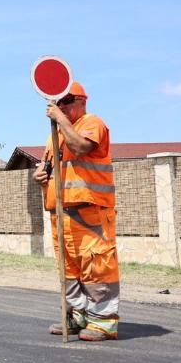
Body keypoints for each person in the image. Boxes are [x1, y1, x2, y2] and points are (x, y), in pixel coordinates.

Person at [33, 82, 119, 341]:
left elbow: (81, 147)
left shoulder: (92, 123)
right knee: (69, 270)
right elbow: (51, 168)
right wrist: (41, 175)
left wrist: (60, 119)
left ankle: (103, 322)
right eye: (59, 103)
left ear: (82, 101)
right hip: (61, 213)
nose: (62, 106)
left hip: (90, 209)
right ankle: (77, 315)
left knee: (97, 266)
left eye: (67, 101)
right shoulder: (54, 135)